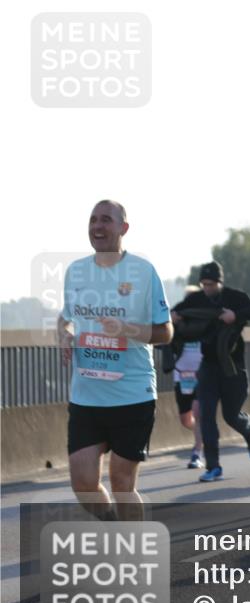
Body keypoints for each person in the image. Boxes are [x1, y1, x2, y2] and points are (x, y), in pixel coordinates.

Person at [58, 200, 173, 521]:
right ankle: (115, 528)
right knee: (83, 485)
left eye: (106, 220)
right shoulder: (76, 271)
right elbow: (66, 318)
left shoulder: (143, 271)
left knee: (122, 482)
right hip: (86, 396)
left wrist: (127, 329)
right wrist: (64, 334)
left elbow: (166, 332)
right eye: (93, 219)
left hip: (132, 394)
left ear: (123, 227)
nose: (98, 226)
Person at [172, 261, 250, 482]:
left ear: (220, 282)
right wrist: (174, 316)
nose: (207, 288)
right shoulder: (197, 299)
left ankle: (249, 431)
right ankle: (213, 467)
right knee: (206, 415)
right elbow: (177, 311)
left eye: (211, 284)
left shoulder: (235, 297)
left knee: (231, 416)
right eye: (203, 284)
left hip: (233, 367)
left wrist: (235, 316)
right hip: (208, 366)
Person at [173, 335, 204, 469]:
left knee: (197, 413)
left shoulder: (204, 325)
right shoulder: (178, 326)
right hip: (181, 376)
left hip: (202, 375)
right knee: (185, 420)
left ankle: (197, 453)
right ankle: (202, 433)